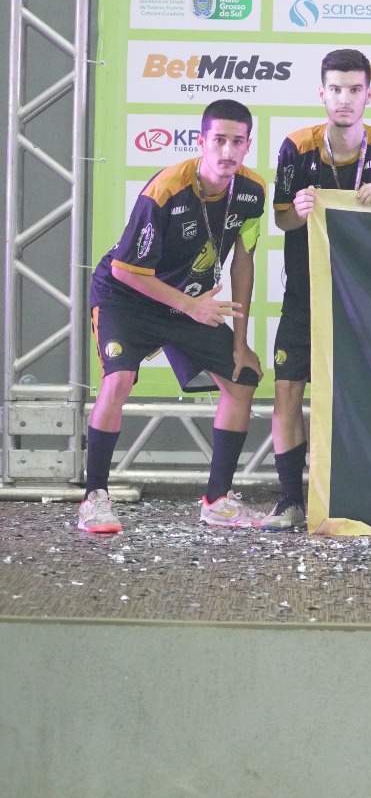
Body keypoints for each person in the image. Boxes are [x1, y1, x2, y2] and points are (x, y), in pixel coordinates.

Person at [78, 100, 269, 534]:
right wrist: (191, 306)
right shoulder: (166, 189)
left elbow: (244, 261)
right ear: (201, 142)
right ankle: (94, 498)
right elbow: (128, 269)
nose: (227, 151)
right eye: (218, 140)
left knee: (243, 379)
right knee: (119, 380)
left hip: (188, 302)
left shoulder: (253, 191)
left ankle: (217, 501)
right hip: (127, 296)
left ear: (248, 145)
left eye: (237, 142)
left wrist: (240, 341)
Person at [267, 50, 371, 530]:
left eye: (355, 90)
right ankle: (291, 498)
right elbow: (281, 217)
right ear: (321, 93)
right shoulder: (296, 146)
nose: (345, 99)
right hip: (306, 295)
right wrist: (301, 211)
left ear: (370, 94)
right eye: (336, 89)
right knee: (287, 390)